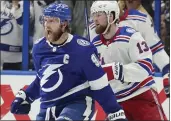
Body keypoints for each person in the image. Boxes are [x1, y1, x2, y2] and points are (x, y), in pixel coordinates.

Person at [10, 3, 127, 121]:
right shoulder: (39, 48)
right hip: (48, 108)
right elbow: (43, 79)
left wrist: (114, 111)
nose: (47, 25)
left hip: (76, 104)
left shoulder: (82, 49)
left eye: (52, 21)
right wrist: (26, 96)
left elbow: (100, 84)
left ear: (64, 24)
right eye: (45, 20)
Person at [90, 1, 167, 120]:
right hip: (115, 103)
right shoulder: (94, 44)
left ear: (111, 16)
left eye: (99, 14)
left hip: (140, 95)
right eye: (93, 15)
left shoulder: (131, 36)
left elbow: (145, 66)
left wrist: (116, 70)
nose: (95, 19)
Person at [118, 0, 170, 97]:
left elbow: (155, 49)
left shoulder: (140, 18)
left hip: (138, 87)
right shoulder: (98, 22)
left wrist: (167, 70)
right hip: (115, 90)